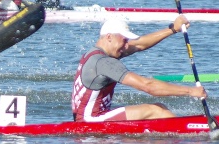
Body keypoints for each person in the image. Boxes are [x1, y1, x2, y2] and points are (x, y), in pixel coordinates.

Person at [72, 16, 207, 121]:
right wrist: (191, 91)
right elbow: (148, 86)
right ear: (109, 37)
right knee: (156, 110)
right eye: (124, 40)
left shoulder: (94, 54)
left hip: (94, 117)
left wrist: (173, 29)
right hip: (90, 121)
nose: (126, 46)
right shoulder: (105, 62)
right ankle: (185, 135)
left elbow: (139, 44)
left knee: (159, 108)